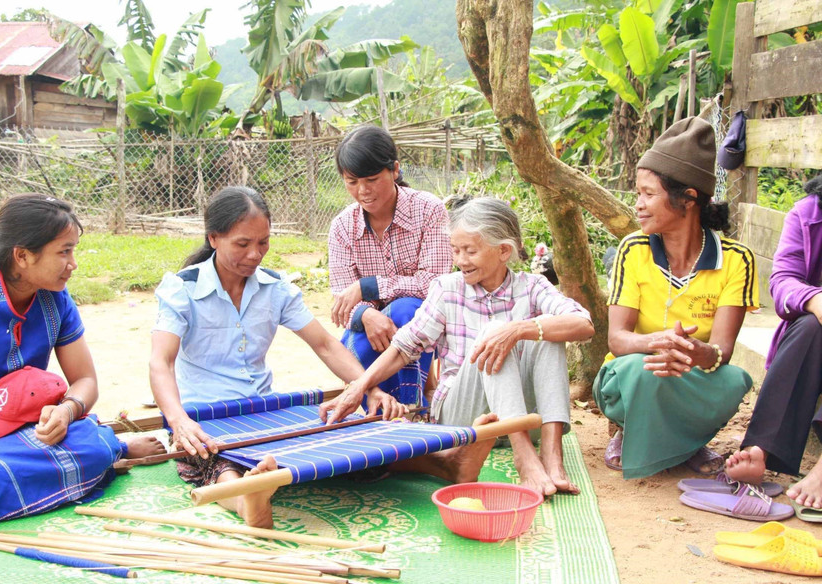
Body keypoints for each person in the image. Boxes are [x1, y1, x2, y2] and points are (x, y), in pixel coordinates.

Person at [149, 186, 403, 529]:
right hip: (204, 416)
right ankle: (246, 500)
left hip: (263, 411)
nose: (255, 254)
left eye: (263, 243)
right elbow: (160, 362)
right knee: (215, 461)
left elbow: (325, 344)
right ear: (213, 238)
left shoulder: (275, 288)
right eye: (242, 244)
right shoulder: (182, 290)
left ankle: (443, 461)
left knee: (347, 438)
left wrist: (366, 388)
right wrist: (180, 422)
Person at [0, 194, 164, 534]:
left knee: (85, 441)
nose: (73, 263)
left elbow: (85, 381)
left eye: (73, 250)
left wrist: (66, 412)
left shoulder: (56, 299)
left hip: (32, 419)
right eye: (64, 251)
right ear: (22, 256)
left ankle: (107, 449)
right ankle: (110, 452)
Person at [321, 197, 595, 496]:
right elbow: (403, 348)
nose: (461, 260)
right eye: (456, 250)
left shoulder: (533, 287)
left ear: (503, 251)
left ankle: (552, 456)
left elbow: (583, 324)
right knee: (495, 332)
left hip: (524, 414)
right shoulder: (447, 289)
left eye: (470, 251)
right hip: (464, 418)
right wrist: (357, 387)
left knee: (547, 329)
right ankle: (524, 457)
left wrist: (521, 329)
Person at [594, 117, 758, 479]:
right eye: (638, 193)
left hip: (690, 373)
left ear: (688, 198)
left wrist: (695, 353)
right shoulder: (633, 250)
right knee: (643, 371)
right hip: (634, 371)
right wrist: (658, 342)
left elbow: (722, 351)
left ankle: (686, 440)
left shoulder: (735, 259)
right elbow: (618, 339)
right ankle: (636, 431)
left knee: (733, 380)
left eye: (648, 194)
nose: (638, 204)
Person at [328, 125, 452, 406]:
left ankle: (410, 408)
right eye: (352, 182)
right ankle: (392, 407)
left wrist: (367, 286)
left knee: (408, 309)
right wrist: (368, 316)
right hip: (370, 333)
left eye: (372, 179)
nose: (363, 191)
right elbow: (341, 303)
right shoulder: (342, 228)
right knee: (357, 341)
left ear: (394, 170)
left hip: (421, 325)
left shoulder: (429, 210)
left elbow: (434, 285)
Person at [726, 175, 822, 511]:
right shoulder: (808, 214)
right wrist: (814, 300)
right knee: (810, 326)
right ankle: (761, 449)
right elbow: (782, 281)